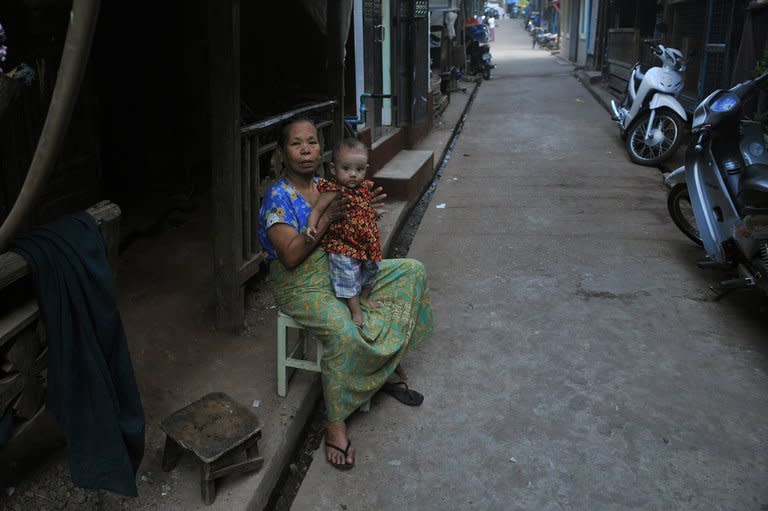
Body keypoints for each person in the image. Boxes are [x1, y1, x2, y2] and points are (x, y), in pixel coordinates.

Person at [258, 118, 434, 471]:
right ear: (281, 153)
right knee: (343, 331)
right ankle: (335, 423)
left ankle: (379, 368)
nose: (306, 149)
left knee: (412, 272)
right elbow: (291, 257)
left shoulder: (329, 185)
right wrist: (326, 222)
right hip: (301, 285)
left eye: (312, 142)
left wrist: (363, 214)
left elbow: (348, 229)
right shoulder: (277, 198)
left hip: (341, 272)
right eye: (296, 144)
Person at [306, 138, 381, 328]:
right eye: (346, 169)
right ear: (333, 169)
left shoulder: (364, 188)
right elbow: (316, 209)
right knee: (348, 277)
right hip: (343, 245)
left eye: (359, 169)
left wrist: (373, 214)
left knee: (372, 269)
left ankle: (364, 297)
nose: (353, 175)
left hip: (366, 242)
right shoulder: (333, 191)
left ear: (366, 168)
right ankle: (356, 312)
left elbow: (365, 208)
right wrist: (311, 226)